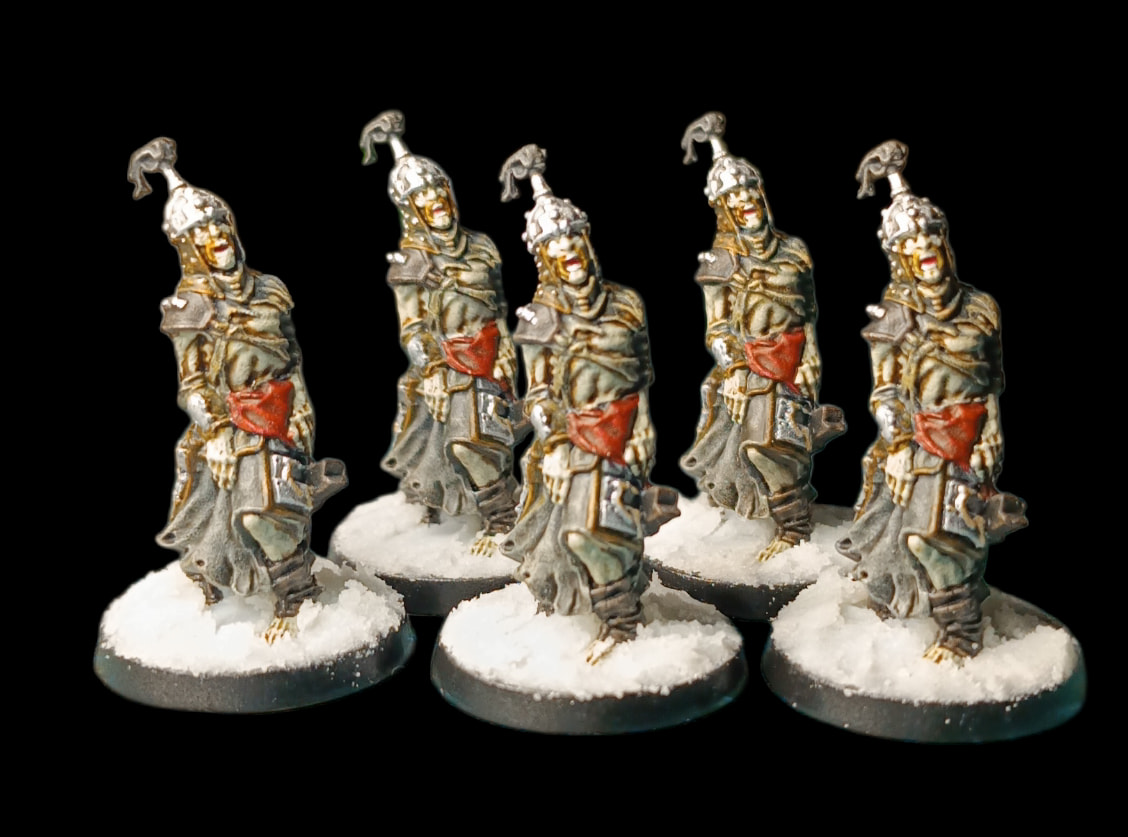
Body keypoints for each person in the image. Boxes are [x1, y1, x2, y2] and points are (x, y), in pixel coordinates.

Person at [128, 137, 346, 643]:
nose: (217, 237)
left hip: (283, 412)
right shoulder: (190, 309)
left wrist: (300, 413)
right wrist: (220, 431)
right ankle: (243, 588)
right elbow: (192, 386)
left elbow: (292, 360)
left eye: (220, 226)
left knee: (269, 504)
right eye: (203, 233)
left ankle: (295, 594)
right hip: (229, 422)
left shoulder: (270, 290)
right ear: (190, 248)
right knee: (244, 508)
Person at [838, 140, 1026, 662]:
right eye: (911, 241)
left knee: (952, 533)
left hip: (972, 438)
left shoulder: (981, 308)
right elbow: (886, 391)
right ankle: (930, 615)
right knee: (914, 535)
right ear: (899, 255)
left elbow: (991, 384)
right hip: (920, 439)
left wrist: (991, 437)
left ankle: (960, 631)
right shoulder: (894, 318)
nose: (924, 247)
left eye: (930, 236)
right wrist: (899, 445)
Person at [498, 145, 677, 662]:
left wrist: (643, 430)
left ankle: (622, 617)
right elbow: (539, 393)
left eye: (573, 238)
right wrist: (555, 445)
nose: (568, 250)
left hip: (625, 429)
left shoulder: (626, 303)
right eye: (555, 245)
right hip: (573, 439)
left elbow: (640, 377)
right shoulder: (540, 319)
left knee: (613, 523)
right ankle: (617, 617)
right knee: (579, 533)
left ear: (586, 240)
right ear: (544, 259)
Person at [679, 113, 844, 562]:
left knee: (780, 441)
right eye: (732, 197)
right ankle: (781, 522)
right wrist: (735, 368)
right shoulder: (720, 262)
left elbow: (808, 314)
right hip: (749, 363)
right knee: (755, 443)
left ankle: (793, 525)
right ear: (723, 208)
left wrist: (810, 363)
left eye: (749, 192)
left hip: (794, 358)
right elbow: (717, 327)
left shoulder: (793, 251)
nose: (745, 201)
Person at [360, 112, 520, 550]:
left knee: (481, 436)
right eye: (422, 197)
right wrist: (432, 367)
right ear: (411, 210)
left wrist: (505, 352)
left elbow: (497, 308)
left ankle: (501, 515)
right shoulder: (410, 263)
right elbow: (412, 327)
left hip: (489, 352)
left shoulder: (482, 246)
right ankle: (481, 508)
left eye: (437, 191)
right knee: (450, 437)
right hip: (444, 360)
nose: (435, 201)